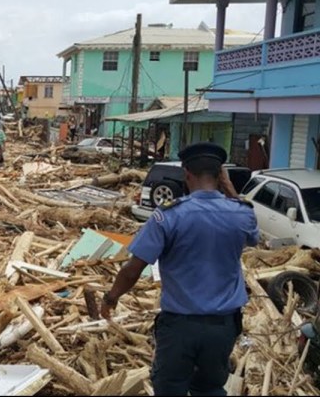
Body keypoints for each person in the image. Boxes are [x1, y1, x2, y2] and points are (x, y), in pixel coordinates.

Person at [100, 142, 259, 396]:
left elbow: (133, 268)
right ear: (221, 176)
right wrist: (230, 191)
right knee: (210, 388)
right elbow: (253, 236)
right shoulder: (241, 213)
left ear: (186, 174)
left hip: (179, 328)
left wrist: (111, 298)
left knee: (169, 388)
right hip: (223, 327)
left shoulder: (169, 216)